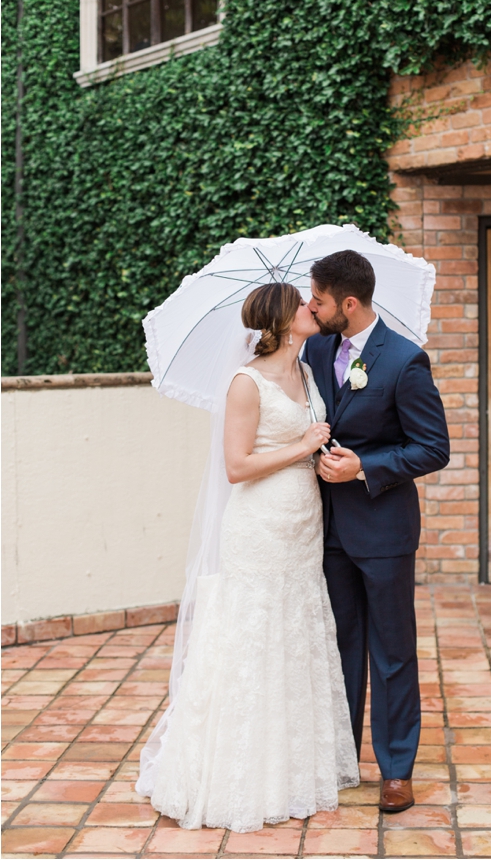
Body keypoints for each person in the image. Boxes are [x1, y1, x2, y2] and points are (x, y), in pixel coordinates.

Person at [136, 282, 359, 832]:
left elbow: (307, 438)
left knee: (294, 634)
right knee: (252, 636)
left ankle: (290, 769)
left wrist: (323, 450)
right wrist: (302, 447)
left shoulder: (307, 373)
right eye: (302, 303)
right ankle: (236, 774)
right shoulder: (245, 382)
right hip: (258, 525)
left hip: (304, 524)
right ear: (280, 320)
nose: (313, 306)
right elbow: (236, 466)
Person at [304, 249, 450, 813]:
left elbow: (432, 448)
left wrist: (363, 466)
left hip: (384, 529)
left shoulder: (405, 360)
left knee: (392, 651)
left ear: (348, 302)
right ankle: (343, 759)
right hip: (326, 527)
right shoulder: (315, 349)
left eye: (318, 301)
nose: (311, 309)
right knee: (339, 646)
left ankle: (396, 770)